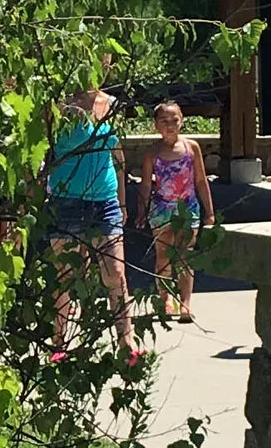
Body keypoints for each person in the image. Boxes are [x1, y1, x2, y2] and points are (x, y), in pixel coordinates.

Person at [44, 85, 140, 364]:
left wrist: (122, 201)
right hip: (66, 199)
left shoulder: (111, 105)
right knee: (64, 275)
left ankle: (126, 341)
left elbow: (117, 156)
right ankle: (59, 341)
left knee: (116, 272)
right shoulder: (60, 105)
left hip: (105, 199)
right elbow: (42, 149)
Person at [134, 100, 215, 324]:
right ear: (156, 125)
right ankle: (166, 298)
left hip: (187, 207)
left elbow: (200, 179)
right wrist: (141, 210)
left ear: (182, 122)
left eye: (174, 120)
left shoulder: (192, 148)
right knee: (164, 255)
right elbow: (145, 185)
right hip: (161, 209)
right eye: (164, 121)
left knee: (185, 255)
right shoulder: (152, 153)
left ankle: (186, 303)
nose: (170, 125)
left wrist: (209, 210)